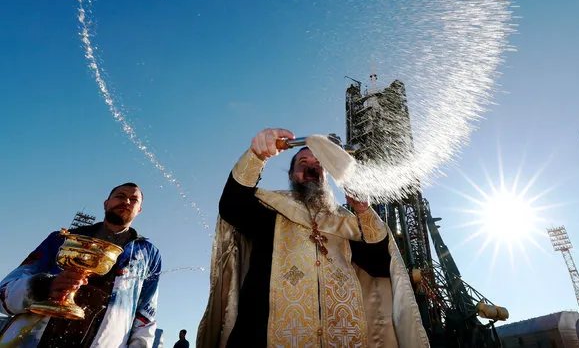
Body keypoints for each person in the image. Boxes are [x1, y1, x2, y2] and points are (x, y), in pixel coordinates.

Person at [197, 129, 428, 347]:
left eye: (319, 164)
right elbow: (232, 207)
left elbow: (380, 266)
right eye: (303, 163)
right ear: (290, 175)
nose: (311, 168)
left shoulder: (344, 223)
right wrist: (257, 155)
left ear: (328, 177)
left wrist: (364, 211)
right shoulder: (269, 211)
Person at [0, 182, 162, 347]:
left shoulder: (148, 255)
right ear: (106, 203)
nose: (126, 202)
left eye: (133, 200)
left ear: (139, 210)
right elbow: (3, 294)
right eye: (120, 196)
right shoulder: (62, 240)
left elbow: (146, 313)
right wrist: (44, 285)